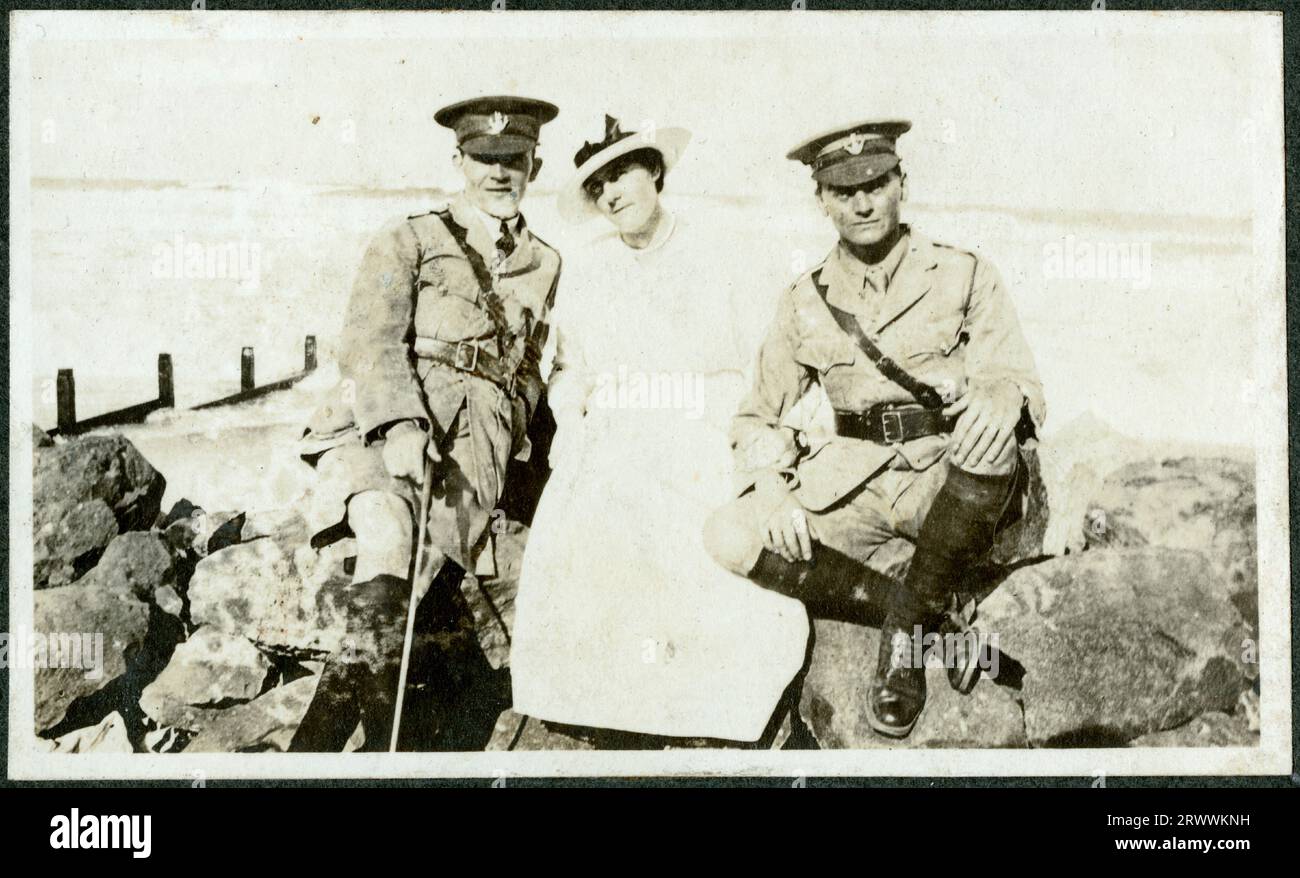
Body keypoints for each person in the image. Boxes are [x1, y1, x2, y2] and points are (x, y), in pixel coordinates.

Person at [702, 119, 1045, 739]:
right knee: (728, 533)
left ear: (900, 184)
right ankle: (925, 618)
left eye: (876, 183)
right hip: (852, 484)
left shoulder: (964, 272)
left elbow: (1017, 378)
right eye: (842, 190)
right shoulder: (805, 299)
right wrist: (771, 487)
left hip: (945, 477)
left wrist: (998, 395)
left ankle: (902, 652)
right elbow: (758, 415)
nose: (862, 202)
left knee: (992, 444)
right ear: (822, 200)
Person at [508, 116, 810, 744]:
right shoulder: (588, 270)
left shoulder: (720, 251)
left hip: (704, 421)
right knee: (592, 525)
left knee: (700, 542)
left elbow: (767, 357)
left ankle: (707, 711)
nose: (613, 192)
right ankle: (608, 709)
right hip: (618, 427)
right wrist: (576, 418)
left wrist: (764, 434)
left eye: (624, 173)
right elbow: (569, 369)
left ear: (656, 173)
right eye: (599, 186)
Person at [289, 95, 562, 751]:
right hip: (377, 431)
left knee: (403, 609)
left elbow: (527, 374)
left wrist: (517, 458)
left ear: (535, 165)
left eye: (513, 160)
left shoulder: (546, 262)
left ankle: (311, 753)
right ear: (459, 160)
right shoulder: (408, 237)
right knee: (386, 534)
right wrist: (404, 427)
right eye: (483, 158)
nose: (498, 173)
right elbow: (369, 342)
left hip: (470, 460)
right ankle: (387, 756)